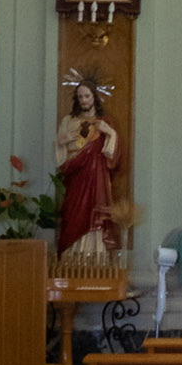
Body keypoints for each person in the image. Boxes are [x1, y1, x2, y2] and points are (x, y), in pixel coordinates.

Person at [55, 80, 119, 258]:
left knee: (93, 212)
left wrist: (110, 132)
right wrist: (62, 141)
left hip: (96, 177)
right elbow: (60, 155)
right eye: (80, 96)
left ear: (94, 97)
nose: (83, 100)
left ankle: (95, 257)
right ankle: (71, 256)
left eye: (87, 96)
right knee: (73, 214)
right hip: (75, 176)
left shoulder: (103, 122)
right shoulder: (68, 121)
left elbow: (111, 154)